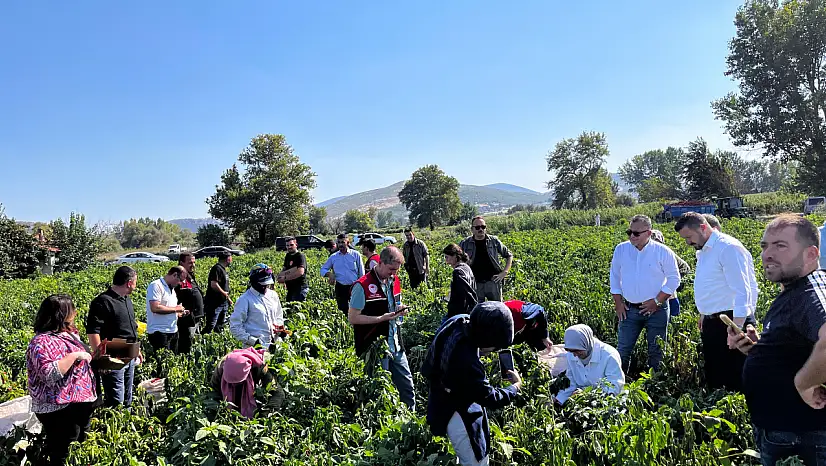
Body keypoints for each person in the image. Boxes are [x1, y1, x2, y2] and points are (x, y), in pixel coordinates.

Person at [727, 215, 826, 465]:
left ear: (811, 254)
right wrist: (758, 350)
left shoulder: (814, 291)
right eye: (764, 246)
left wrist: (803, 383)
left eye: (780, 246)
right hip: (783, 431)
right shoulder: (795, 291)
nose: (767, 254)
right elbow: (798, 347)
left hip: (806, 436)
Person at [422, 301, 522, 465]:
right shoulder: (468, 363)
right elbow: (490, 397)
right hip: (456, 409)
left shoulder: (459, 321)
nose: (493, 351)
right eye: (494, 347)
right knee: (476, 459)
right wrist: (515, 387)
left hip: (439, 395)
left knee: (463, 452)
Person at [675, 212, 758, 391]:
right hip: (714, 321)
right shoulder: (704, 250)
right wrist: (704, 313)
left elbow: (742, 291)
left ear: (703, 227)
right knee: (716, 374)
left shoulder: (728, 248)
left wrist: (735, 330)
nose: (687, 242)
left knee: (737, 376)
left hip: (732, 321)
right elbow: (713, 285)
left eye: (689, 237)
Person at [27, 294, 97, 465]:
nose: (75, 313)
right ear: (61, 314)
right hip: (59, 408)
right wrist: (75, 355)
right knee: (63, 450)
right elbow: (49, 374)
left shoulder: (68, 334)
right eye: (72, 310)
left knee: (80, 445)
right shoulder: (41, 342)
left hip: (80, 403)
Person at [610, 215, 680, 373]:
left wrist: (657, 301)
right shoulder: (621, 249)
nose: (631, 236)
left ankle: (653, 385)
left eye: (636, 233)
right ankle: (619, 385)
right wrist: (618, 303)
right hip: (629, 310)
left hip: (657, 311)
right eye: (629, 232)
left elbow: (674, 279)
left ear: (648, 233)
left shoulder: (663, 251)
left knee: (656, 351)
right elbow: (614, 276)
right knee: (623, 350)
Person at [348, 246, 415, 410]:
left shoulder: (395, 281)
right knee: (379, 390)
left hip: (396, 345)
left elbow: (394, 303)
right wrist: (380, 319)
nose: (394, 274)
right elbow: (353, 318)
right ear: (381, 263)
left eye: (397, 270)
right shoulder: (362, 286)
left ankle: (410, 421)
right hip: (375, 347)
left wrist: (401, 308)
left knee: (407, 387)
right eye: (391, 269)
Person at [86, 266, 139, 407]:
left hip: (129, 352)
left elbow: (130, 328)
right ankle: (114, 425)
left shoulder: (126, 299)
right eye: (135, 282)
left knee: (128, 396)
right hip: (113, 354)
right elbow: (93, 331)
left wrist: (136, 350)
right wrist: (101, 359)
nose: (135, 286)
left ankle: (125, 425)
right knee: (116, 399)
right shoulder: (102, 301)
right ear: (129, 283)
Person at [554, 324, 625, 405]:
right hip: (582, 399)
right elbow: (571, 381)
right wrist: (559, 398)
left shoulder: (608, 355)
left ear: (586, 343)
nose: (574, 355)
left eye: (577, 351)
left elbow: (614, 387)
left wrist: (587, 394)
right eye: (571, 351)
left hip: (605, 402)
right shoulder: (572, 354)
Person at [210, 347, 284, 418]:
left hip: (254, 401)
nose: (234, 385)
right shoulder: (220, 370)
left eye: (237, 382)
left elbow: (277, 393)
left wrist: (264, 416)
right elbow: (214, 394)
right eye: (231, 383)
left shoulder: (259, 369)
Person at [231, 264, 287, 348]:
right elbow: (235, 327)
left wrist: (280, 329)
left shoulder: (273, 295)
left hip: (276, 344)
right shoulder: (245, 299)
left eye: (267, 284)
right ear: (253, 282)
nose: (265, 287)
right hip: (255, 348)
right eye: (262, 284)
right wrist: (253, 341)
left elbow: (278, 316)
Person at [459, 216, 514, 302]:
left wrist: (504, 272)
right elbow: (457, 259)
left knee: (497, 310)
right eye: (477, 227)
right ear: (472, 229)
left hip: (493, 282)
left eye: (483, 227)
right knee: (477, 311)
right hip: (475, 283)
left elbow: (509, 255)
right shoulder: (465, 243)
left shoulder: (494, 241)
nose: (480, 229)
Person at [146, 266, 189, 353]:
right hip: (159, 332)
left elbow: (168, 308)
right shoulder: (156, 285)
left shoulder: (172, 289)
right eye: (180, 280)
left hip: (173, 330)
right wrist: (176, 309)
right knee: (162, 362)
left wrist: (178, 313)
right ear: (174, 275)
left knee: (173, 361)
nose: (180, 283)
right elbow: (155, 307)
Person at [650, 229, 691, 317]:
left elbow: (685, 268)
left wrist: (673, 280)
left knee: (673, 317)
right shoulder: (642, 255)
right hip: (651, 297)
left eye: (658, 242)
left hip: (669, 295)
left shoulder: (667, 254)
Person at [321, 234, 364, 314]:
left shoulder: (355, 254)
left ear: (348, 243)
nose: (340, 244)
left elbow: (361, 272)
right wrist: (330, 274)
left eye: (343, 242)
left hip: (354, 287)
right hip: (340, 287)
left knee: (357, 310)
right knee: (342, 310)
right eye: (339, 242)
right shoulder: (333, 257)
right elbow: (323, 269)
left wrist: (361, 287)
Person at [175, 252, 204, 354]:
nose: (193, 265)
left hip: (195, 317)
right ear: (181, 263)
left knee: (194, 342)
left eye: (194, 262)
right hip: (187, 319)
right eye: (190, 263)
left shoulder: (189, 276)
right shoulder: (177, 278)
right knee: (186, 343)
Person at [443, 243, 477, 319]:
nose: (447, 262)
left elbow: (467, 291)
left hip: (459, 312)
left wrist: (474, 308)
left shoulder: (458, 272)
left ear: (455, 256)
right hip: (465, 311)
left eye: (447, 257)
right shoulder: (466, 267)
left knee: (442, 330)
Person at [203, 252, 232, 334]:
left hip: (223, 303)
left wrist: (228, 299)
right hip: (214, 304)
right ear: (228, 259)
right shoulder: (217, 268)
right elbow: (214, 284)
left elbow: (224, 287)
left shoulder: (223, 269)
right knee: (211, 325)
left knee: (219, 326)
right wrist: (224, 294)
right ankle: (202, 340)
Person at [277, 237, 309, 302]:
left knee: (297, 310)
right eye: (287, 245)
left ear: (296, 245)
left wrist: (285, 278)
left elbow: (300, 272)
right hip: (291, 289)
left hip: (300, 288)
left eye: (291, 245)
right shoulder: (288, 256)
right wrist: (280, 276)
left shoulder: (300, 256)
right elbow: (285, 268)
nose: (289, 247)